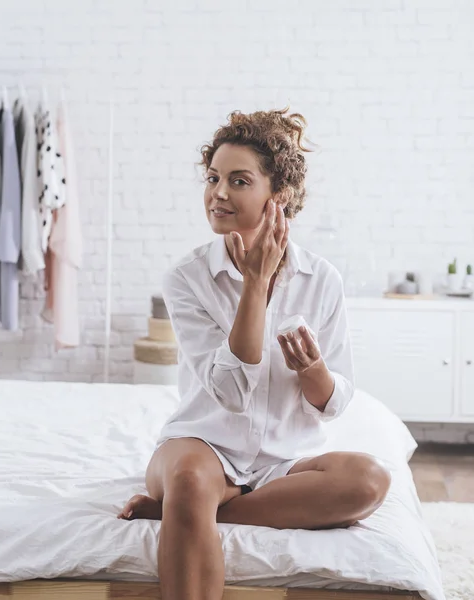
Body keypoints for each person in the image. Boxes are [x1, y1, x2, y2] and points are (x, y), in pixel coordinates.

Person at [117, 108, 392, 600]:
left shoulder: (321, 279)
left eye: (238, 181)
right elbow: (227, 391)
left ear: (277, 197)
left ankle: (193, 511)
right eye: (213, 178)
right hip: (202, 447)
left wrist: (313, 371)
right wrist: (256, 282)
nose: (218, 193)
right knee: (187, 478)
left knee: (369, 480)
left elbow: (336, 400)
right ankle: (192, 500)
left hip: (282, 463)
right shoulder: (187, 277)